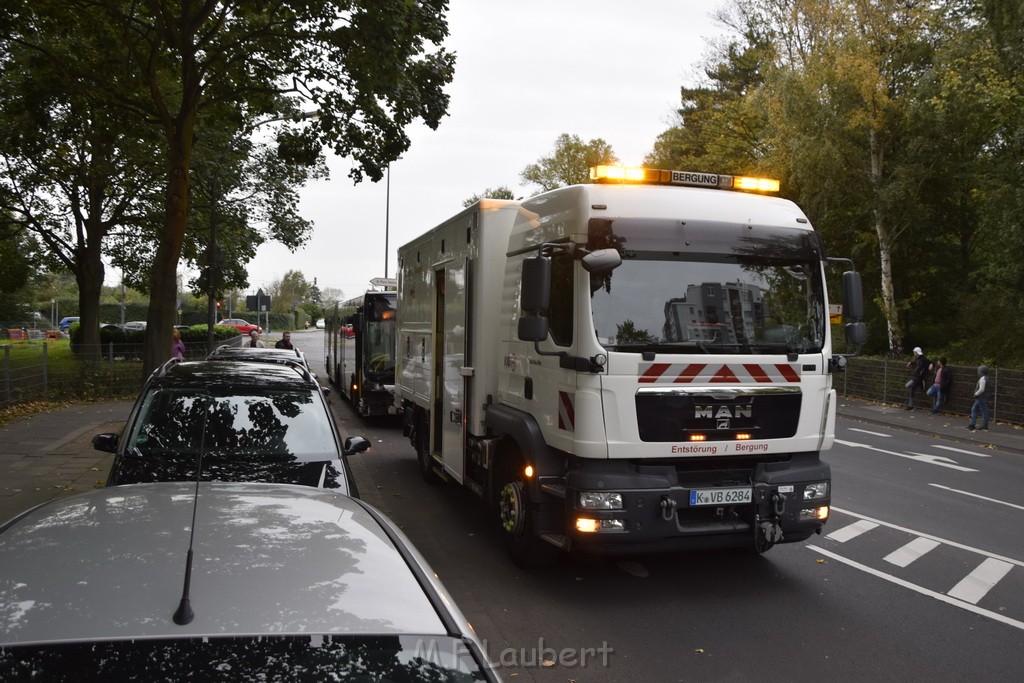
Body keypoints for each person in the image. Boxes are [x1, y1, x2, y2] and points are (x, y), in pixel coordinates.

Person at [967, 365, 990, 431]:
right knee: (975, 409)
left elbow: (981, 389)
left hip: (980, 397)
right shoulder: (987, 378)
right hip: (983, 397)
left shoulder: (983, 379)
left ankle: (983, 426)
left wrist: (976, 394)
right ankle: (972, 424)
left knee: (983, 411)